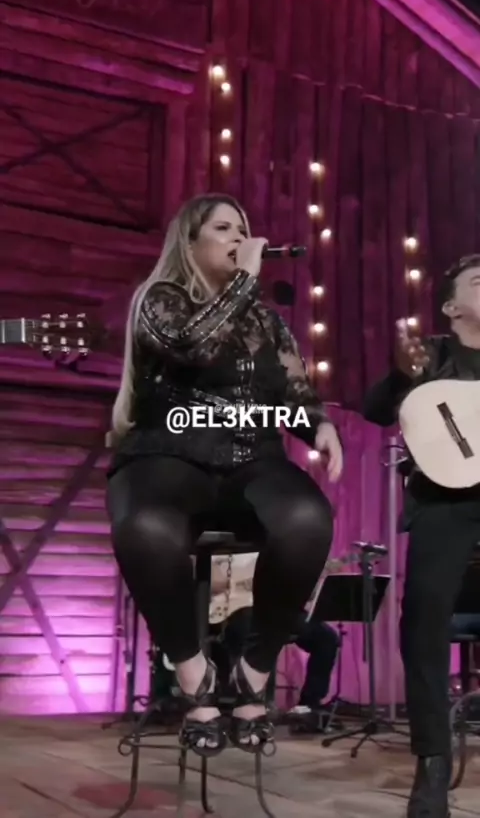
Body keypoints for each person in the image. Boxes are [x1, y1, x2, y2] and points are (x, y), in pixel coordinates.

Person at [105, 193, 343, 758]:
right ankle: (192, 672)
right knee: (146, 527)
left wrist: (317, 425)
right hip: (168, 453)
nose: (239, 238)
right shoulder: (160, 298)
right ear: (190, 242)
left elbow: (293, 388)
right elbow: (193, 345)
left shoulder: (266, 321)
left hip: (252, 458)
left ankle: (253, 669)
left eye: (243, 228)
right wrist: (244, 283)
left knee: (308, 519)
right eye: (224, 228)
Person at [363, 254, 480, 818]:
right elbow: (374, 410)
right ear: (451, 307)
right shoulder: (430, 355)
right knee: (424, 619)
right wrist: (402, 375)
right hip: (445, 501)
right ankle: (433, 759)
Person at [209, 553, 340, 729]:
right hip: (238, 608)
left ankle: (308, 706)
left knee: (326, 638)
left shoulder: (283, 547)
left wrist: (313, 578)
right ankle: (247, 702)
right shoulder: (230, 548)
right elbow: (211, 578)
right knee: (254, 631)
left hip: (278, 609)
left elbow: (301, 596)